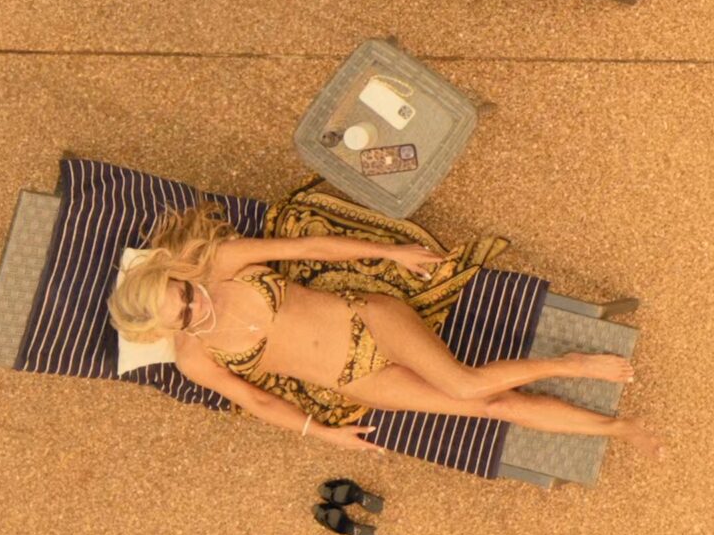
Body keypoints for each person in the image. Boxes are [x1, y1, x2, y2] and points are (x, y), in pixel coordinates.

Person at [106, 182, 661, 457]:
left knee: (465, 384)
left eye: (185, 292)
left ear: (178, 275)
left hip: (368, 320)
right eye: (184, 314)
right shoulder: (195, 358)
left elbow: (310, 250)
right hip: (361, 381)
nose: (197, 304)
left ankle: (568, 363)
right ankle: (617, 429)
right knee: (493, 407)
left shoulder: (223, 265)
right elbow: (258, 402)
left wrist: (391, 254)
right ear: (168, 330)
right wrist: (323, 433)